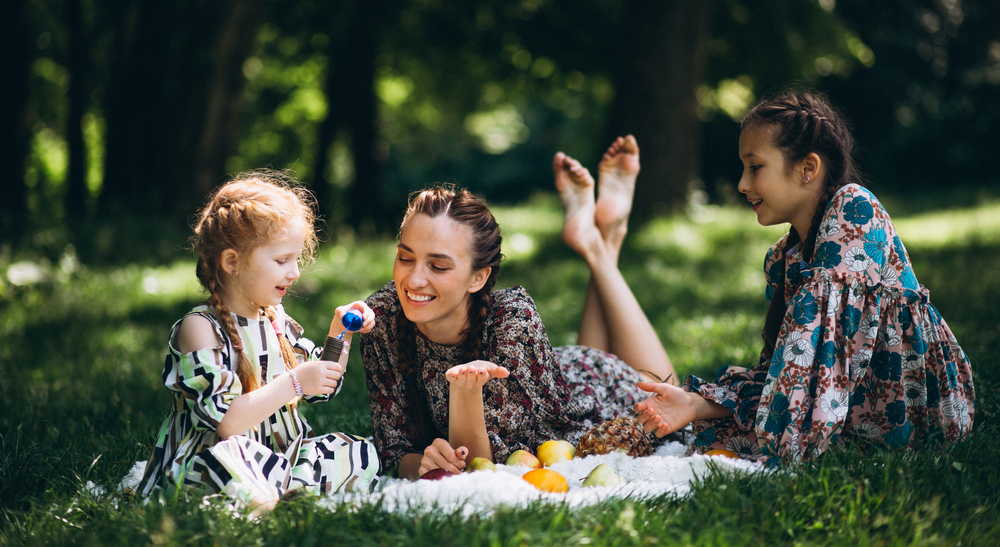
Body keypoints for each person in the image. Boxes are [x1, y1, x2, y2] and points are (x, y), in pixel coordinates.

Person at [634, 90, 976, 464]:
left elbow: (821, 371)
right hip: (847, 402)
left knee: (754, 440)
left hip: (912, 409)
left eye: (755, 167)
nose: (742, 184)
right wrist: (696, 404)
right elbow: (788, 373)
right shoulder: (787, 256)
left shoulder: (854, 210)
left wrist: (781, 447)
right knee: (722, 435)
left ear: (807, 168)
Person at [361, 136, 678, 479]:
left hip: (591, 396)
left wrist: (465, 393)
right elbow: (393, 449)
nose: (413, 280)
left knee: (670, 396)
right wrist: (420, 464)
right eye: (405, 258)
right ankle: (599, 241)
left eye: (438, 266)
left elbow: (487, 465)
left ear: (478, 277)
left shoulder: (512, 319)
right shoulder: (382, 317)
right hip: (561, 374)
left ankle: (602, 245)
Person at [137, 171, 380, 512]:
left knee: (356, 450)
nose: (295, 272)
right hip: (217, 459)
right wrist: (294, 382)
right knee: (230, 458)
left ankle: (279, 489)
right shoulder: (200, 329)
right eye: (282, 260)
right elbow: (228, 424)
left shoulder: (274, 319)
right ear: (232, 262)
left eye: (296, 259)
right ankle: (272, 495)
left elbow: (321, 387)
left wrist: (340, 333)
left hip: (278, 455)